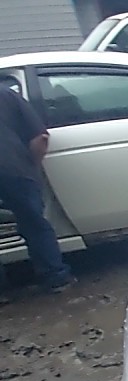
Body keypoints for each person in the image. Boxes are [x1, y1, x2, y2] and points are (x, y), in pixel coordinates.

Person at [0, 85, 74, 295]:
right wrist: (31, 167)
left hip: (12, 168)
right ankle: (56, 279)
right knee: (34, 224)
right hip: (14, 170)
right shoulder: (6, 94)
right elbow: (40, 138)